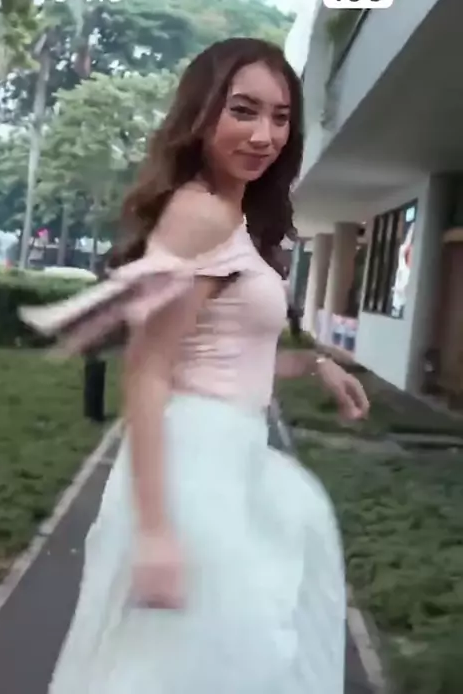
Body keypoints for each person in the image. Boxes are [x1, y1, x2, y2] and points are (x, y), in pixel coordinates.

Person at [20, 37, 369, 694]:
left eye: (280, 117)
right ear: (201, 114)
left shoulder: (234, 216)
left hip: (232, 465)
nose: (264, 135)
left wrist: (314, 364)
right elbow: (148, 371)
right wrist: (156, 530)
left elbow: (221, 352)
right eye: (243, 110)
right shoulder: (199, 214)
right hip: (192, 478)